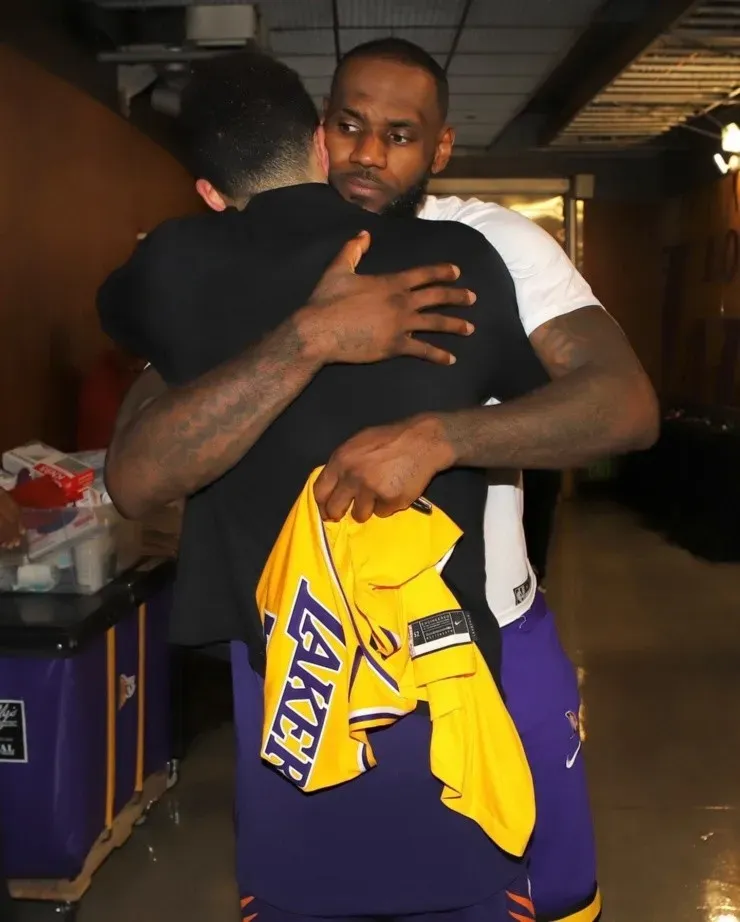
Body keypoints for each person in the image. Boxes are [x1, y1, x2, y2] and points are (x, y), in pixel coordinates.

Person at [103, 40, 658, 922]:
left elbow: (622, 405)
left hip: (489, 630)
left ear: (440, 148)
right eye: (351, 127)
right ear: (320, 137)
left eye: (400, 135)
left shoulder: (488, 245)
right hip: (306, 651)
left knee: (549, 890)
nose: (369, 154)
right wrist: (304, 333)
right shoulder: (226, 268)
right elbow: (144, 461)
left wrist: (443, 435)